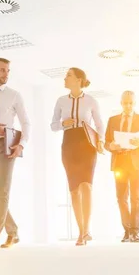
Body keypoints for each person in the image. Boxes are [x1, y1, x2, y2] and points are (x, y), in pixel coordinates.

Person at [0, 58, 30, 249]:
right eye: (2, 70)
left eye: (8, 71)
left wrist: (22, 145)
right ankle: (13, 231)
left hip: (7, 146)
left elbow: (26, 123)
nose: (6, 74)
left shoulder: (14, 95)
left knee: (3, 192)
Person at [51, 68, 105, 246]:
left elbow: (99, 124)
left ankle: (86, 230)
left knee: (86, 186)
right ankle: (81, 231)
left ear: (79, 80)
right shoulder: (60, 101)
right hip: (69, 144)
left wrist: (101, 141)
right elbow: (53, 125)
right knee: (74, 189)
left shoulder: (91, 101)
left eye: (68, 75)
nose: (65, 78)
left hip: (87, 143)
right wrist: (62, 124)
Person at [104, 91, 139, 243]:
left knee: (136, 198)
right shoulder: (113, 120)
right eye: (125, 102)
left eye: (130, 103)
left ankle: (135, 232)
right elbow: (106, 142)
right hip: (119, 162)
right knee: (121, 198)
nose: (128, 105)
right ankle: (127, 231)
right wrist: (111, 145)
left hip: (136, 163)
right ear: (121, 103)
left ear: (134, 103)